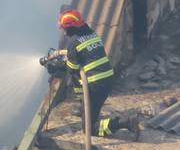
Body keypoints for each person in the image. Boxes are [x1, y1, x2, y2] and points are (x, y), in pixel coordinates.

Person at [56, 9, 139, 138]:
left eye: (65, 29)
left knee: (89, 129)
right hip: (107, 79)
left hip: (96, 84)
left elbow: (73, 69)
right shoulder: (92, 34)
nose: (65, 33)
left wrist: (60, 65)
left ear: (71, 28)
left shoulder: (73, 42)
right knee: (90, 108)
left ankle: (125, 122)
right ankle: (85, 106)